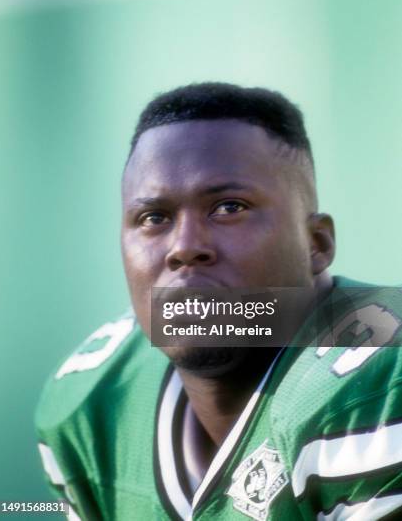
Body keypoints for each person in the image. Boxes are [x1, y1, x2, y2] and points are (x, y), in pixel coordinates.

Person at [36, 83, 402, 520]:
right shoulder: (92, 402)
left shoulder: (378, 384)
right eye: (154, 218)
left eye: (229, 207)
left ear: (316, 244)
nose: (185, 247)